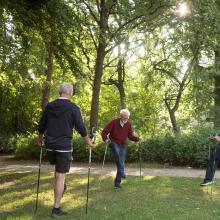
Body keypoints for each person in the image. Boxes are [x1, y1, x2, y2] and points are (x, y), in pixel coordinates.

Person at [37, 83, 95, 217]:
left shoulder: (50, 106)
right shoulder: (73, 108)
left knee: (58, 174)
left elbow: (42, 124)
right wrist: (89, 142)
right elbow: (81, 127)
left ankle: (61, 187)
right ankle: (56, 209)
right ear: (71, 93)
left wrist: (40, 138)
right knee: (60, 176)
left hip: (50, 145)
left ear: (59, 92)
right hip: (63, 146)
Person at [101, 109, 140, 189]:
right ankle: (122, 173)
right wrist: (106, 139)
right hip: (114, 142)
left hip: (123, 145)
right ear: (121, 116)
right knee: (118, 155)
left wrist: (137, 139)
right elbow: (104, 132)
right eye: (124, 118)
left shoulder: (129, 124)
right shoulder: (114, 122)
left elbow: (130, 136)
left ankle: (117, 184)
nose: (126, 119)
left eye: (127, 118)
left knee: (121, 162)